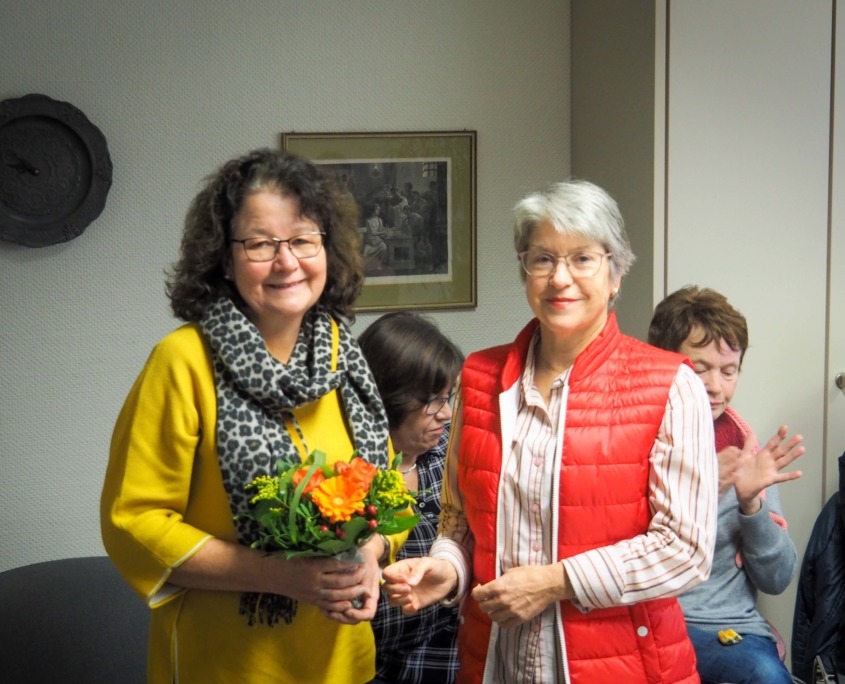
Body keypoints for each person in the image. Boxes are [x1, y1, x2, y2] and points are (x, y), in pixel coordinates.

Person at [383, 179, 718, 683]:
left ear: (616, 273)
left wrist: (555, 583)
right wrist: (447, 568)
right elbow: (460, 517)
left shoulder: (670, 384)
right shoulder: (477, 378)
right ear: (525, 270)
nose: (560, 278)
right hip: (497, 660)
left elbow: (684, 551)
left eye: (582, 258)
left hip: (625, 665)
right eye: (542, 258)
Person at [100, 149, 394, 684]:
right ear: (224, 257)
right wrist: (279, 576)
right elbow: (134, 523)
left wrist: (370, 557)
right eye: (260, 244)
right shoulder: (183, 361)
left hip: (342, 661)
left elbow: (387, 493)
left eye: (303, 239)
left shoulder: (344, 356)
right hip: (226, 663)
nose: (287, 262)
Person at [648, 285, 804, 684]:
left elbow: (777, 579)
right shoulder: (637, 442)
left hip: (728, 630)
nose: (716, 386)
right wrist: (702, 488)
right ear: (664, 363)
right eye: (699, 368)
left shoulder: (747, 453)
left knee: (765, 675)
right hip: (648, 623)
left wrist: (751, 505)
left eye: (729, 370)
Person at [358, 312, 464, 684]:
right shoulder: (343, 477)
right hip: (373, 666)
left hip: (451, 656)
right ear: (388, 398)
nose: (447, 414)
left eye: (448, 397)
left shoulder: (449, 454)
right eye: (433, 401)